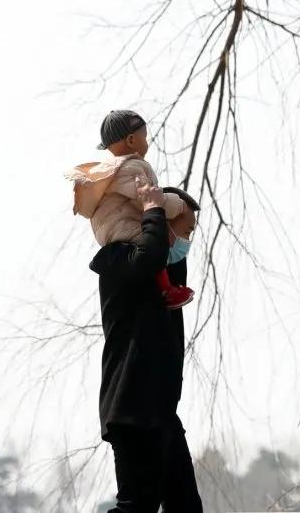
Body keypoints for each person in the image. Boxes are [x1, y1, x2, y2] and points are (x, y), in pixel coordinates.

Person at [91, 181, 203, 513]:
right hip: (133, 408)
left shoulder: (164, 280)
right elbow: (149, 257)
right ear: (160, 226)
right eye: (184, 231)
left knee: (185, 507)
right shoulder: (118, 260)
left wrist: (159, 217)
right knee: (137, 507)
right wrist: (153, 211)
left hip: (161, 411)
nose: (187, 241)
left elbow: (162, 260)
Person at [66, 109, 194, 309]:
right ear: (132, 140)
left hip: (111, 232)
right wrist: (179, 205)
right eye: (145, 137)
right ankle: (166, 290)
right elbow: (145, 198)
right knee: (152, 246)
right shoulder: (131, 167)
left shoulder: (109, 172)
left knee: (153, 245)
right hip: (125, 228)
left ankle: (165, 288)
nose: (147, 142)